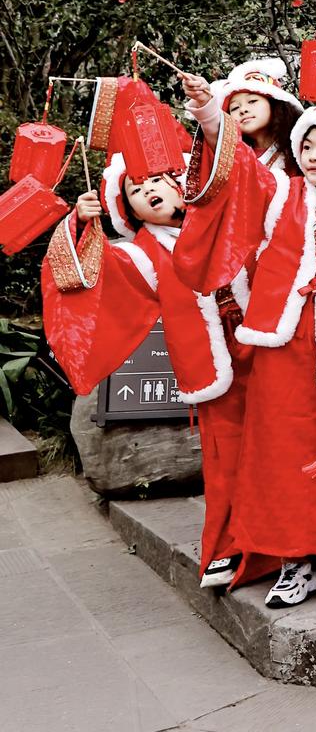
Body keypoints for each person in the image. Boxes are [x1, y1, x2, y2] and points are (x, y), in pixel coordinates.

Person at [174, 78, 316, 609]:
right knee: (280, 453)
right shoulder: (283, 191)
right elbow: (239, 169)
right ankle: (294, 559)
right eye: (306, 146)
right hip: (282, 346)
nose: (313, 157)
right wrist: (209, 112)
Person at [43, 153, 251, 588]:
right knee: (228, 459)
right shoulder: (141, 254)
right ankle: (232, 546)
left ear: (181, 180)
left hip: (267, 349)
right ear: (130, 212)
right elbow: (90, 277)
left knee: (284, 448)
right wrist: (82, 225)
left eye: (156, 180)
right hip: (215, 367)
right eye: (136, 190)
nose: (148, 190)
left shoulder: (228, 214)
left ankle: (299, 548)